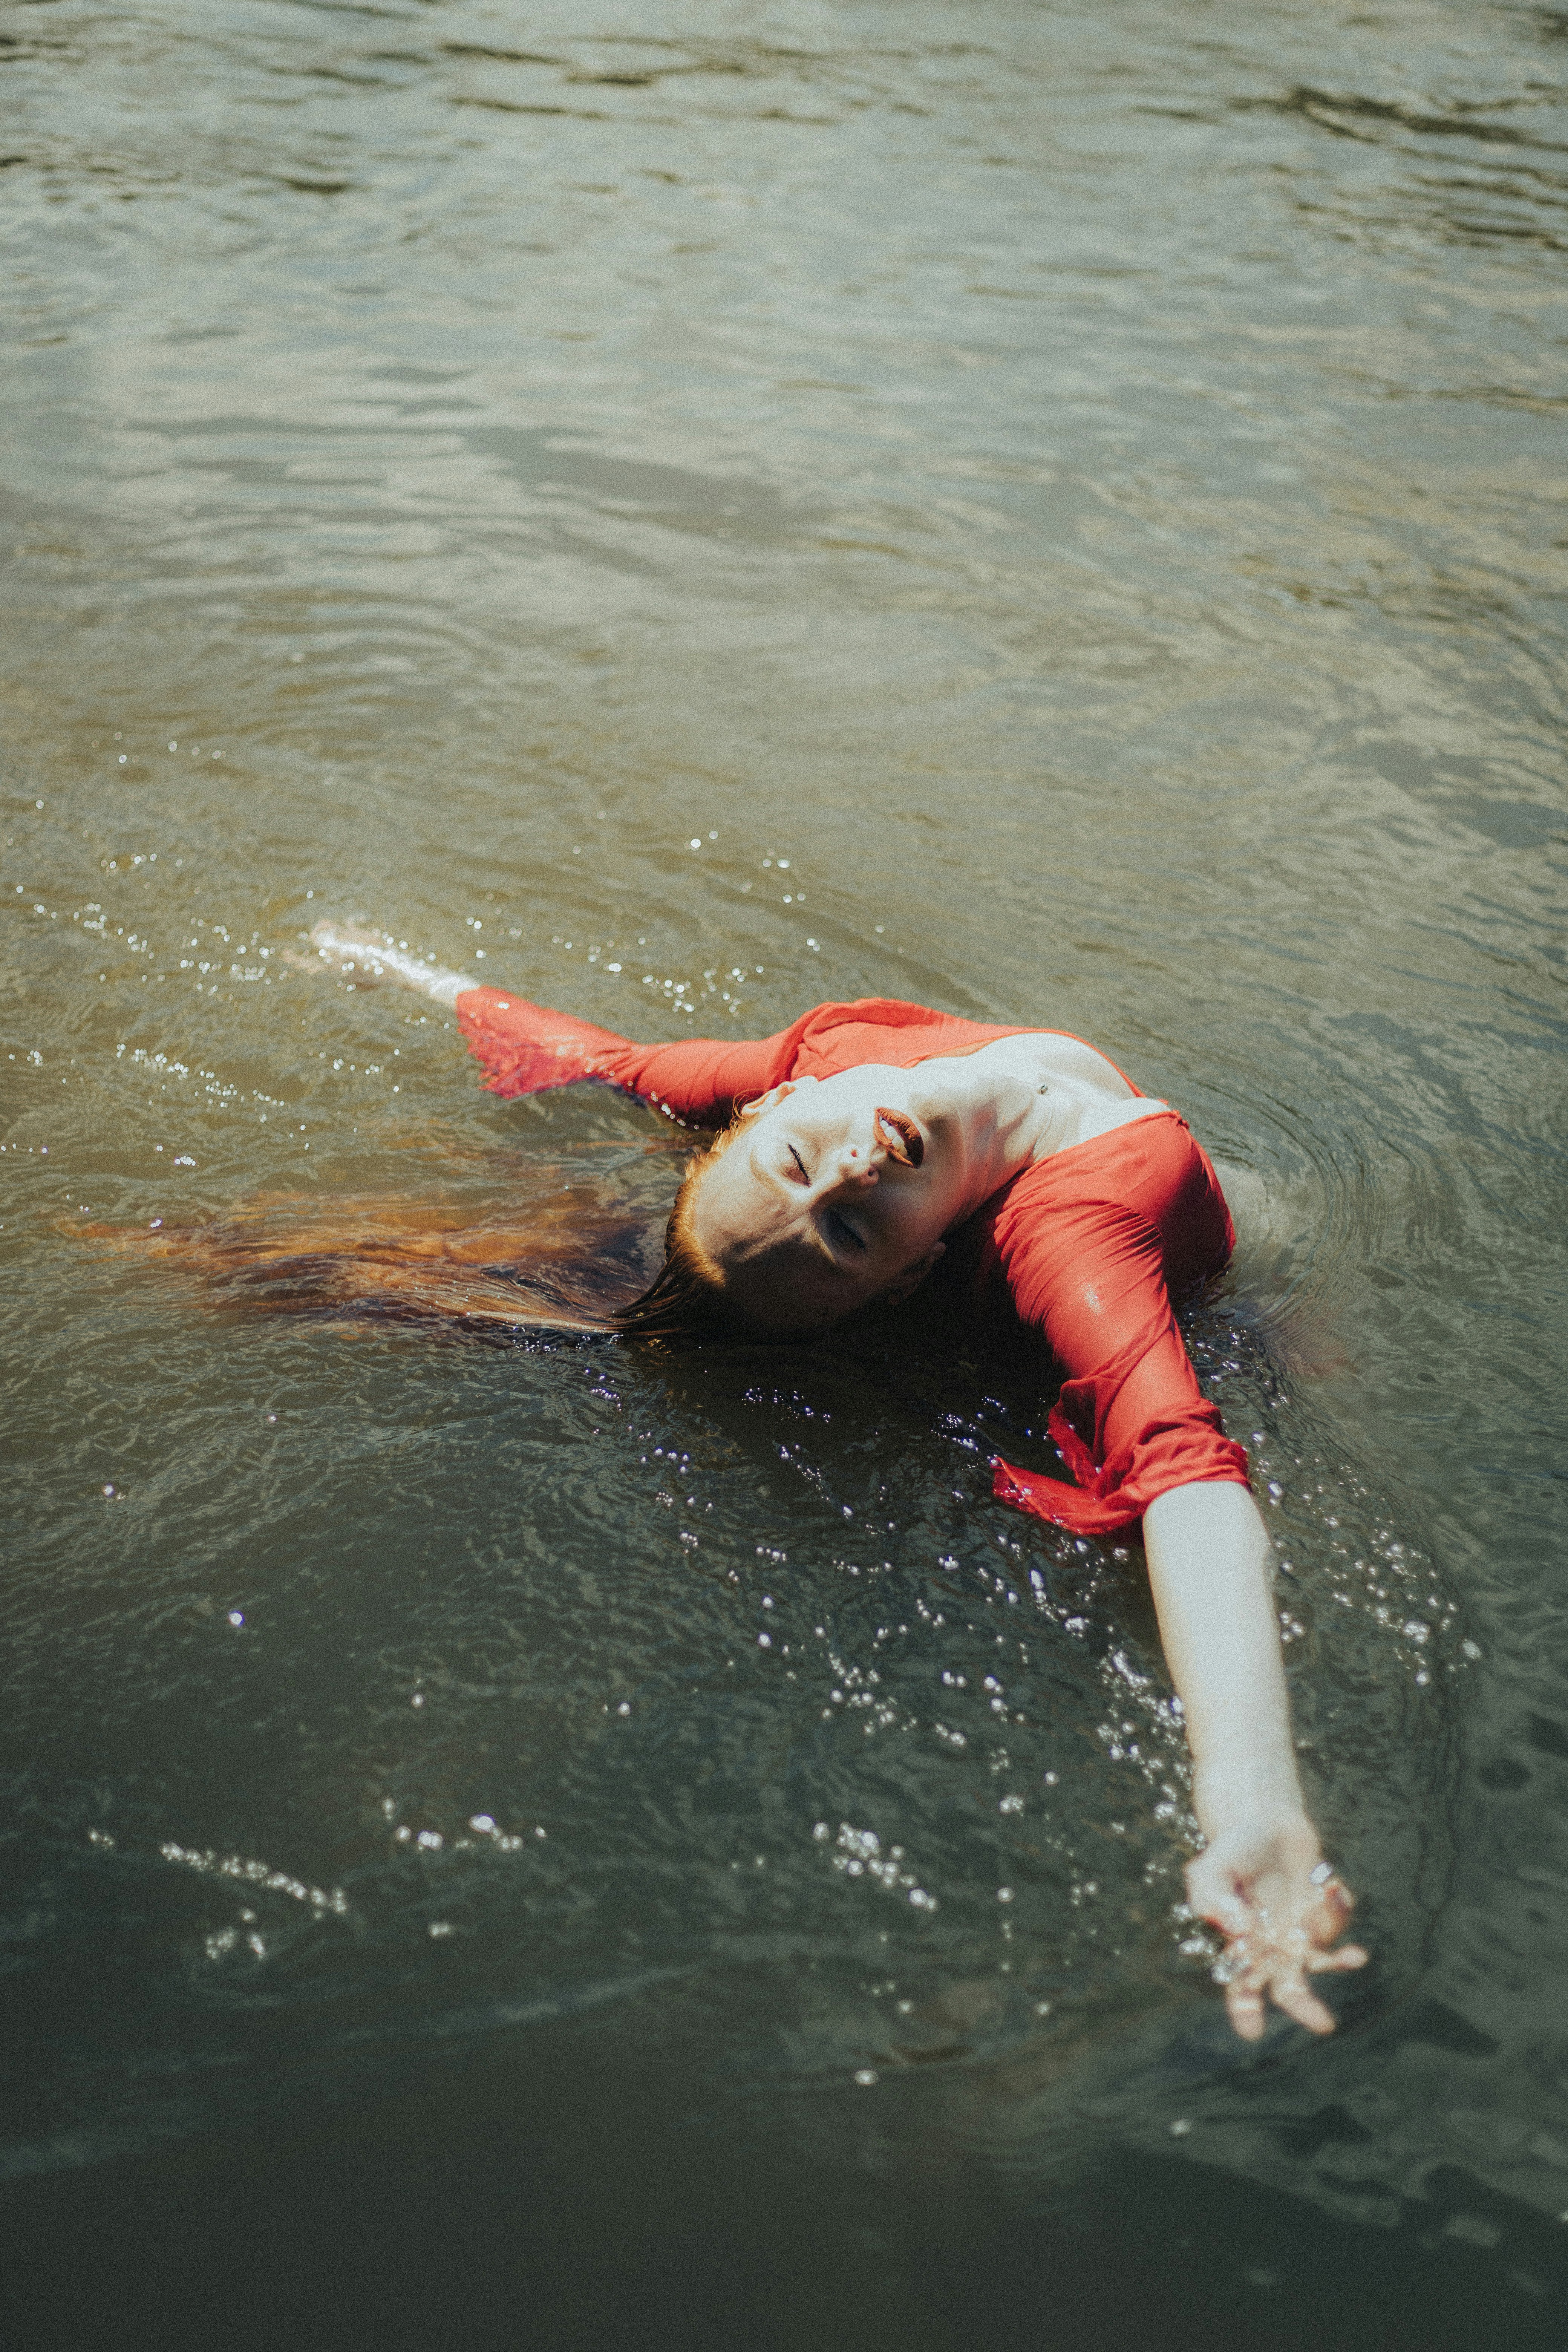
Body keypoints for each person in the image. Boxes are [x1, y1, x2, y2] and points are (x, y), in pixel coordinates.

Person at [281, 921, 1374, 2036]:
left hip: (1210, 1213)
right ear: (911, 1280)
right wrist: (1255, 1804)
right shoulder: (1074, 1237)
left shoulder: (833, 1059)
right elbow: (1183, 1477)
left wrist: (399, 972)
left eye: (798, 1166)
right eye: (851, 1232)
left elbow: (617, 1065)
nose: (851, 1168)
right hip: (1240, 1292)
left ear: (767, 1114)